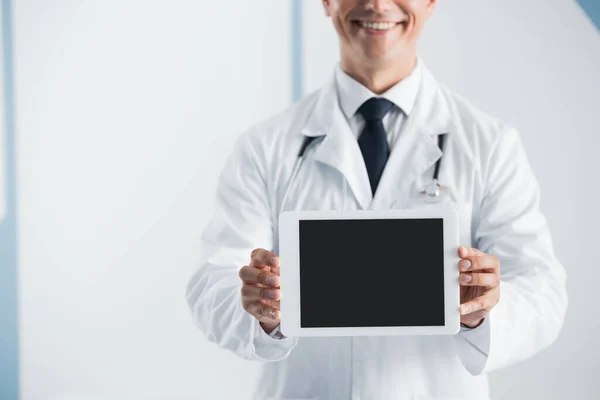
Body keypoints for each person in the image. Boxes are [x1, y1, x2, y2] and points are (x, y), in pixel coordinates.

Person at [186, 0, 568, 398]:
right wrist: (259, 311)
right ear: (327, 3)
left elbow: (542, 292)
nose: (377, 4)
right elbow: (213, 285)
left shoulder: (489, 145)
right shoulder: (265, 147)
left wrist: (483, 310)